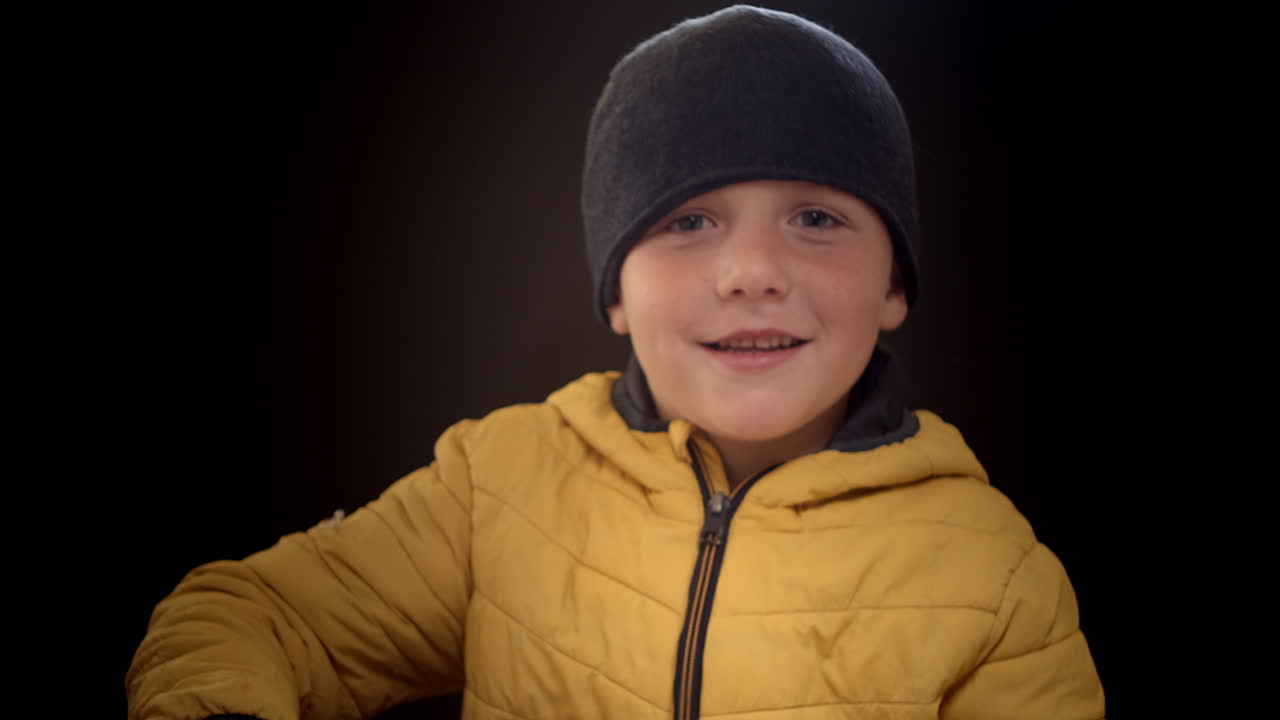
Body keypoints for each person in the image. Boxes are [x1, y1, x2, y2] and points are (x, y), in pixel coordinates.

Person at [127, 5, 1105, 719]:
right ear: (615, 295)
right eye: (688, 221)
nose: (752, 272)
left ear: (894, 284)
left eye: (815, 217)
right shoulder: (500, 488)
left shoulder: (992, 573)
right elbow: (251, 615)